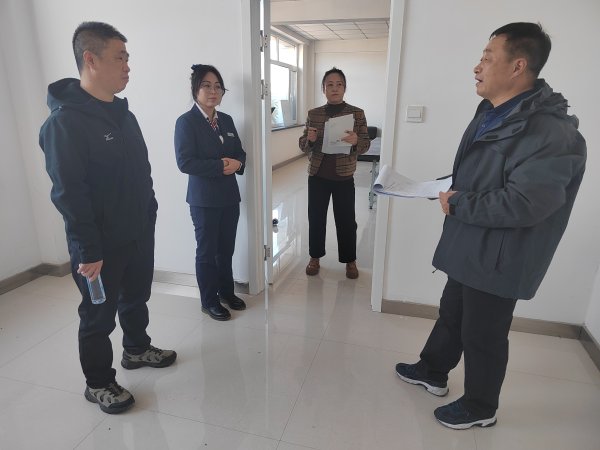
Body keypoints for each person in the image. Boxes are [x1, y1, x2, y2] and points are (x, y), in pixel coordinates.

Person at [394, 22, 586, 430]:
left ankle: (481, 406)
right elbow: (486, 175)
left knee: (483, 332)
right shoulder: (492, 111)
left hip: (501, 254)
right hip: (471, 238)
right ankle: (432, 370)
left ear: (518, 66)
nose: (476, 66)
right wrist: (449, 188)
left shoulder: (549, 131)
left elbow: (527, 203)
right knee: (453, 313)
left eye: (486, 57)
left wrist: (459, 202)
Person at [39, 22, 177, 414]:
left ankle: (136, 348)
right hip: (98, 245)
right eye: (120, 57)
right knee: (98, 316)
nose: (127, 65)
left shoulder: (122, 114)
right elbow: (69, 194)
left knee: (136, 296)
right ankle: (98, 382)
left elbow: (141, 171)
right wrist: (88, 250)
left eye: (127, 57)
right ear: (91, 59)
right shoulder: (64, 123)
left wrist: (149, 212)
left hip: (137, 231)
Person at [175, 64, 246, 322]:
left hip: (229, 197)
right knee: (207, 252)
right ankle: (209, 300)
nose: (213, 91)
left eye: (218, 86)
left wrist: (239, 163)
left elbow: (239, 153)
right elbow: (185, 162)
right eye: (206, 85)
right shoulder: (186, 122)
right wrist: (220, 166)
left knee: (226, 250)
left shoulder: (226, 120)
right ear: (195, 89)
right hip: (204, 200)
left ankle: (226, 292)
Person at [299, 67, 370, 279]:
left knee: (346, 221)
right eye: (329, 84)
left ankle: (350, 260)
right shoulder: (314, 114)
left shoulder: (357, 113)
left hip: (344, 176)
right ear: (323, 89)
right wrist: (310, 140)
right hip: (317, 176)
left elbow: (365, 144)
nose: (334, 88)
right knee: (316, 219)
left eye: (339, 84)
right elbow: (303, 145)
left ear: (345, 88)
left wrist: (356, 141)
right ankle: (315, 257)